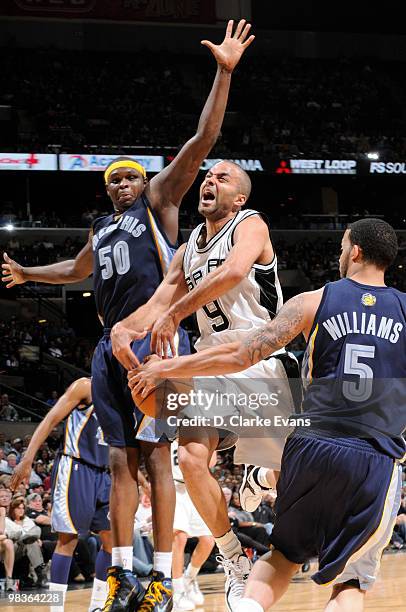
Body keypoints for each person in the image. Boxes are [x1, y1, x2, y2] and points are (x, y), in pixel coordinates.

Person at [3, 20, 254, 612]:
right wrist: (30, 276)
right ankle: (122, 577)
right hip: (109, 347)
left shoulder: (160, 202)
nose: (120, 184)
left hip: (158, 341)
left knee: (158, 456)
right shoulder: (102, 227)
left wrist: (222, 74)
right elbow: (76, 269)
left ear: (144, 180)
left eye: (128, 176)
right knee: (120, 459)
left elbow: (203, 139)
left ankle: (162, 579)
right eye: (112, 179)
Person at [131, 218, 405, 612]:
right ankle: (261, 472)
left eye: (343, 247)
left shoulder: (314, 300)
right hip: (372, 454)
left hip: (311, 446)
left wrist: (166, 368)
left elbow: (243, 355)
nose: (341, 254)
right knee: (348, 583)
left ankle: (249, 596)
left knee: (280, 558)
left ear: (356, 251)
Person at [117, 158, 298, 610]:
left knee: (287, 474)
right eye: (207, 176)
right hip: (211, 362)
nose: (209, 181)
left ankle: (264, 473)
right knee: (191, 455)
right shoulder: (188, 247)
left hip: (260, 354)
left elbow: (234, 272)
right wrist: (126, 327)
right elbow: (161, 301)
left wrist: (174, 314)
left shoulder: (250, 223)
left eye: (222, 177)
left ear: (240, 196)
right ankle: (233, 557)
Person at [10, 378, 112, 612]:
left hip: (105, 472)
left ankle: (97, 605)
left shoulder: (122, 393)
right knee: (68, 539)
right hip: (77, 466)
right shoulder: (85, 386)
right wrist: (27, 459)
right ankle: (56, 608)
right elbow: (50, 420)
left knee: (112, 540)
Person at [171, 440, 215, 611]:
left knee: (208, 540)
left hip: (196, 487)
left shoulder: (198, 427)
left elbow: (210, 462)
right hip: (175, 487)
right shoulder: (165, 426)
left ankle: (190, 578)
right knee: (179, 537)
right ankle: (178, 591)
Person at [0, 488, 15, 591]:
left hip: (13, 542)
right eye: (1, 497)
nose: (4, 498)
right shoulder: (2, 512)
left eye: (6, 496)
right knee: (7, 541)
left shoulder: (16, 510)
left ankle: (9, 579)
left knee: (8, 542)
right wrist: (2, 515)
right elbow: (1, 531)